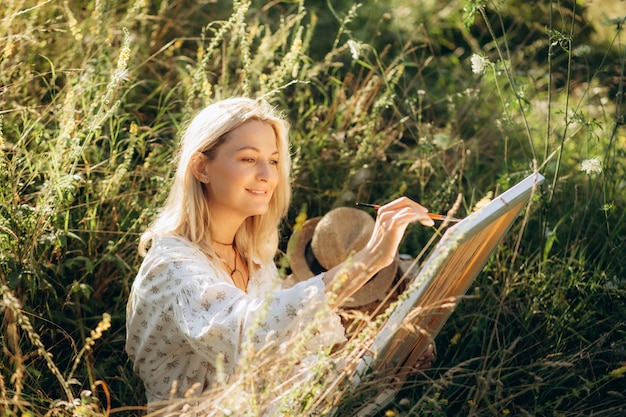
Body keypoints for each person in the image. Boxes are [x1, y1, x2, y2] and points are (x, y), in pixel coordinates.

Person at [125, 97, 436, 409]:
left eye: (273, 161)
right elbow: (249, 336)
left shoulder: (253, 258)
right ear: (202, 168)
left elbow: (285, 361)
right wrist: (369, 261)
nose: (267, 175)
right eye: (248, 159)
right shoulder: (173, 267)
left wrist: (384, 363)